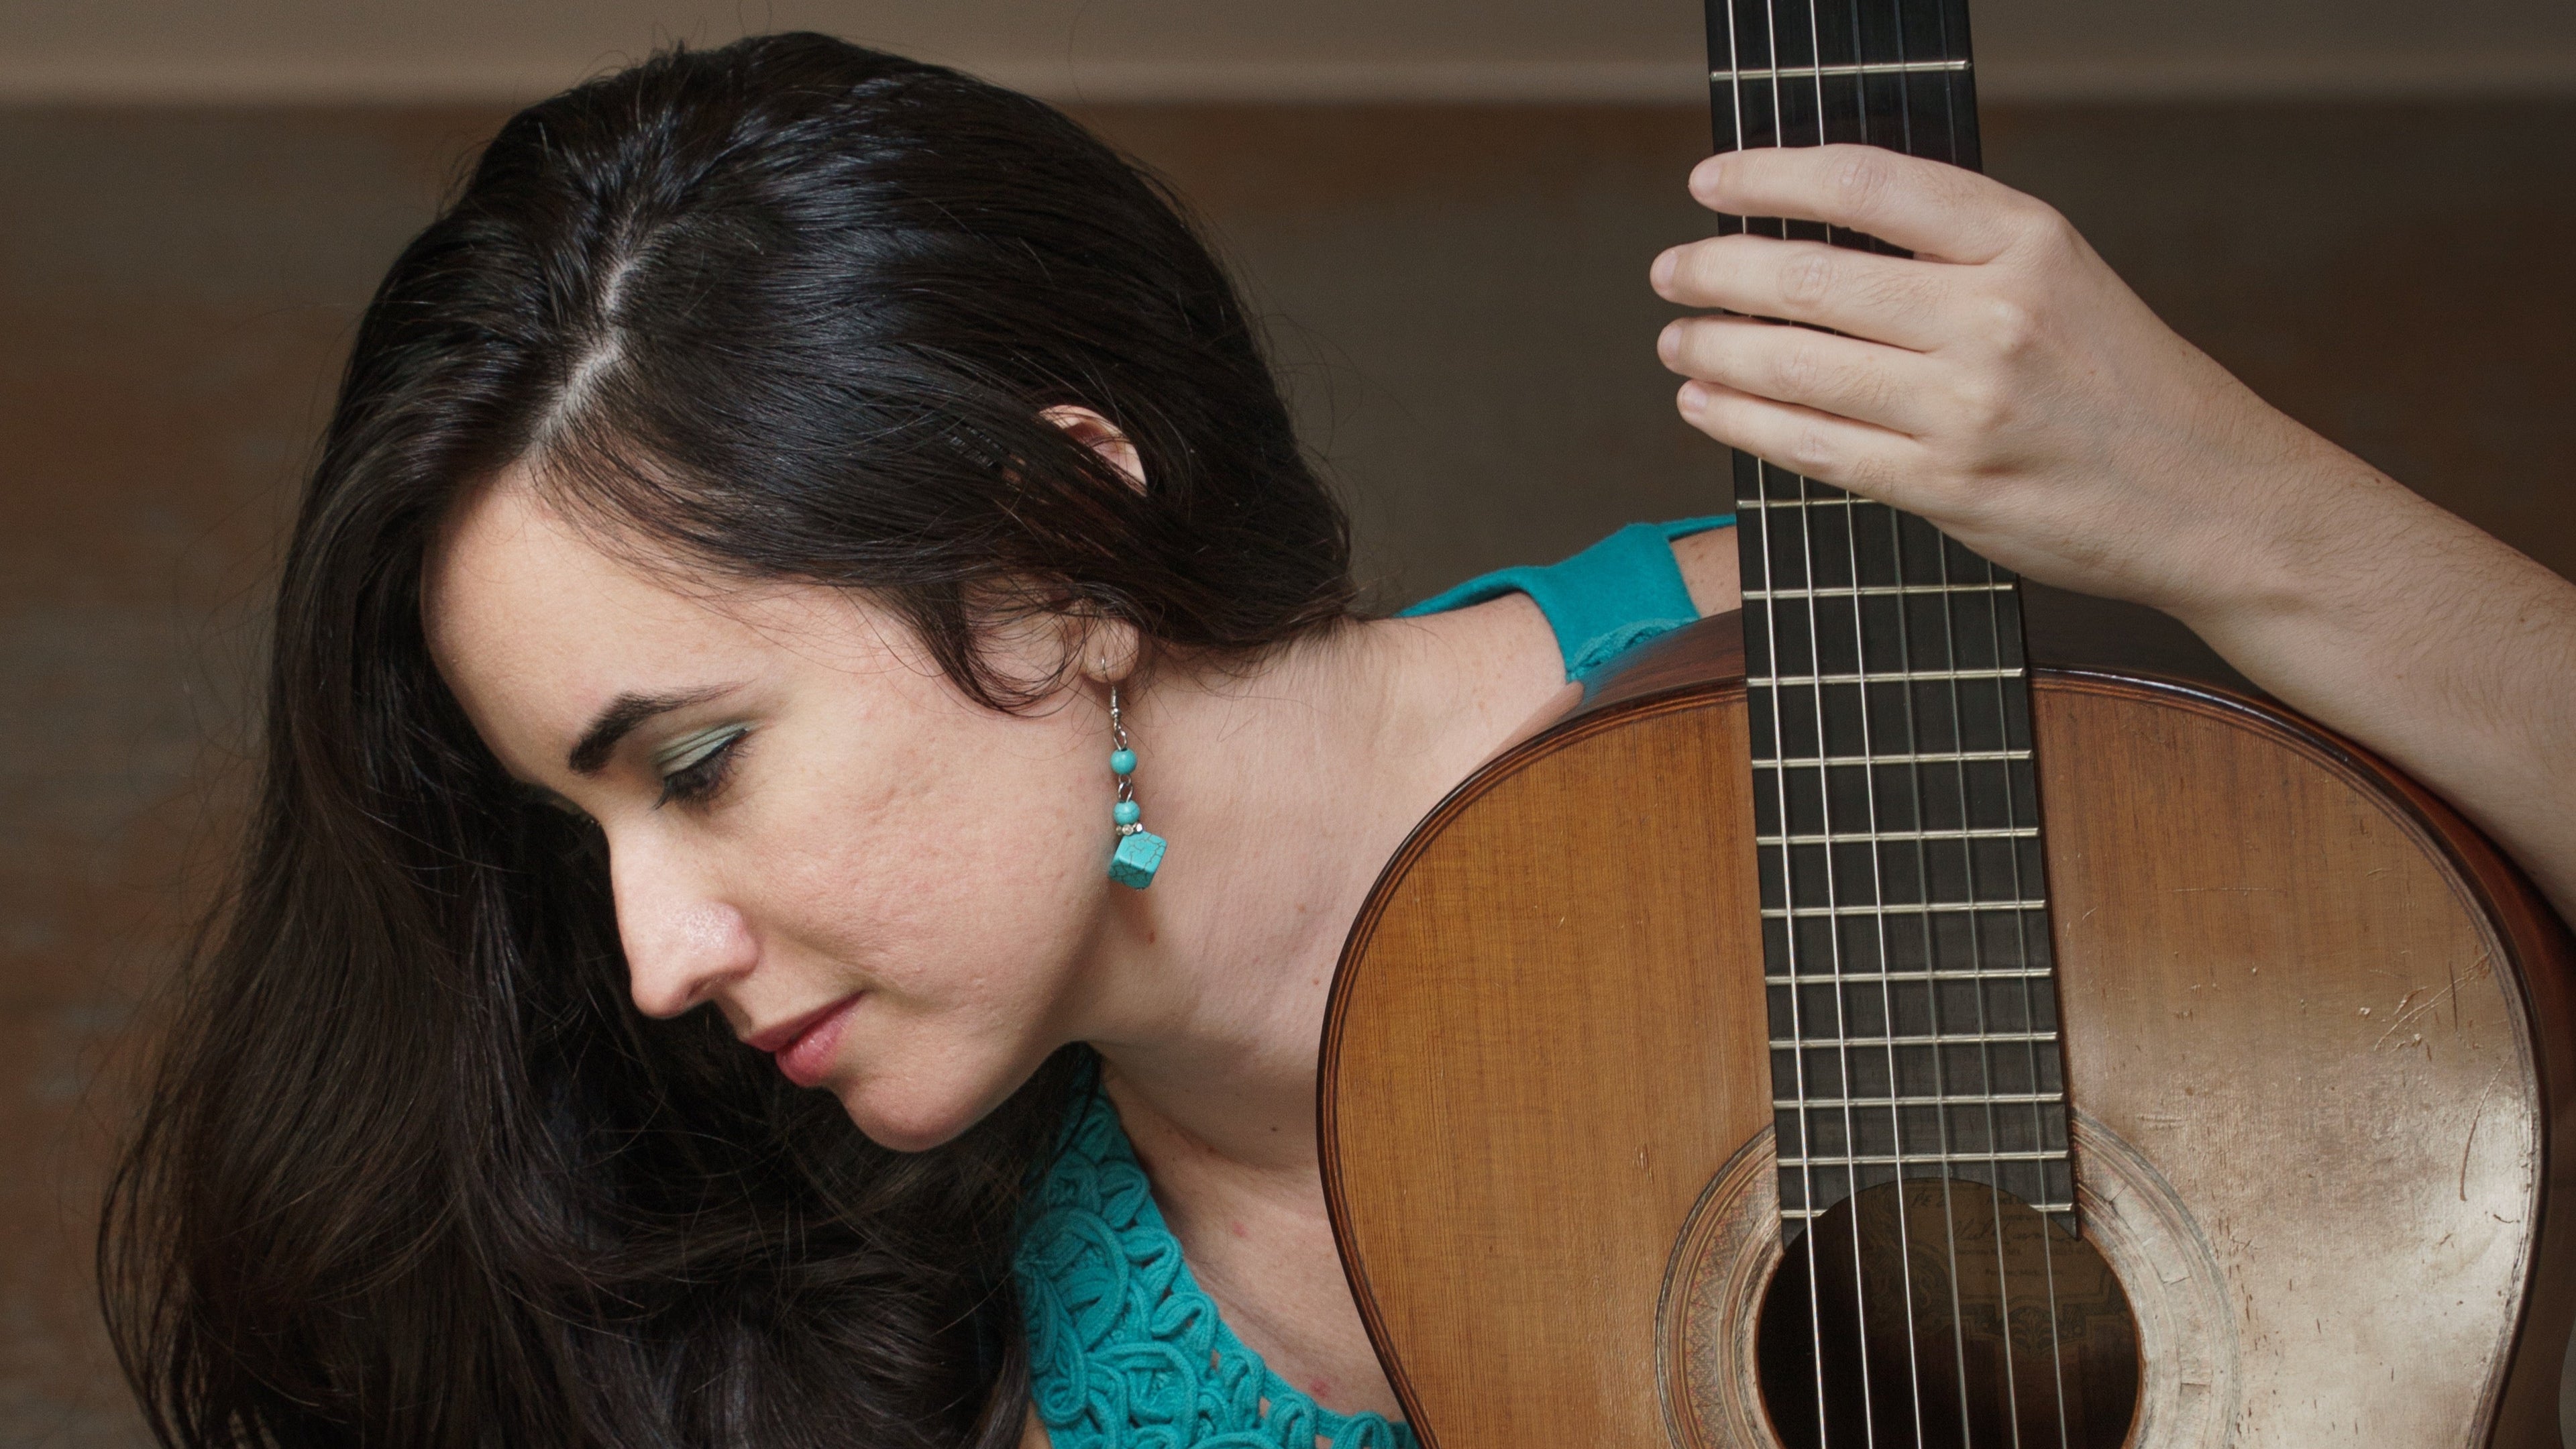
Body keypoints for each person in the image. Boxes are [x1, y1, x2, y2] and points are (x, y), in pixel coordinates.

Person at [97, 30, 2575, 1449]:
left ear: (1052, 549)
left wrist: (2233, 510)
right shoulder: (917, 1265)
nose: (648, 952)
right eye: (582, 824)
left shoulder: (1841, 709)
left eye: (702, 761)